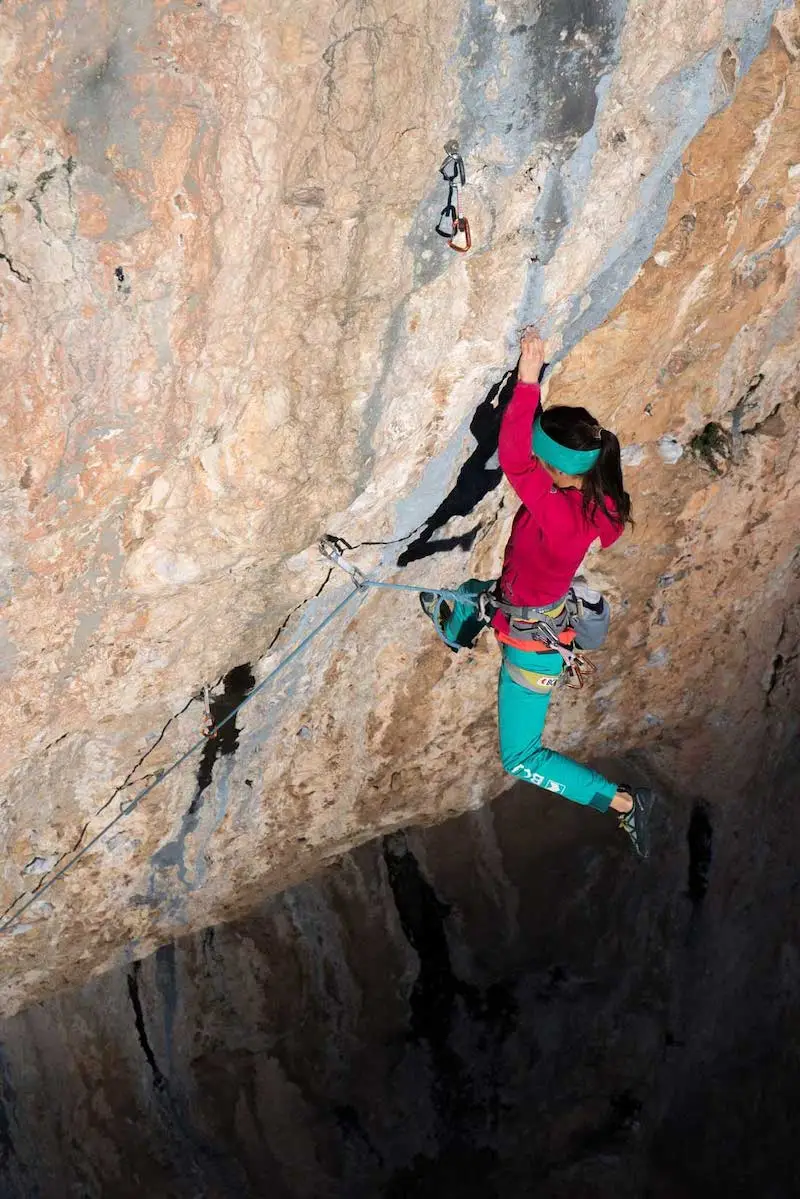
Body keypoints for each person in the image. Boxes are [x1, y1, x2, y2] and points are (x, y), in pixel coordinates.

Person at [421, 328, 656, 858]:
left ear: (553, 465)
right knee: (472, 598)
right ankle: (462, 624)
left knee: (521, 758)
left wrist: (529, 378)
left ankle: (622, 803)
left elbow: (513, 457)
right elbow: (533, 456)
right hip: (530, 614)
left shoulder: (559, 513)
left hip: (534, 650)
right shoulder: (598, 500)